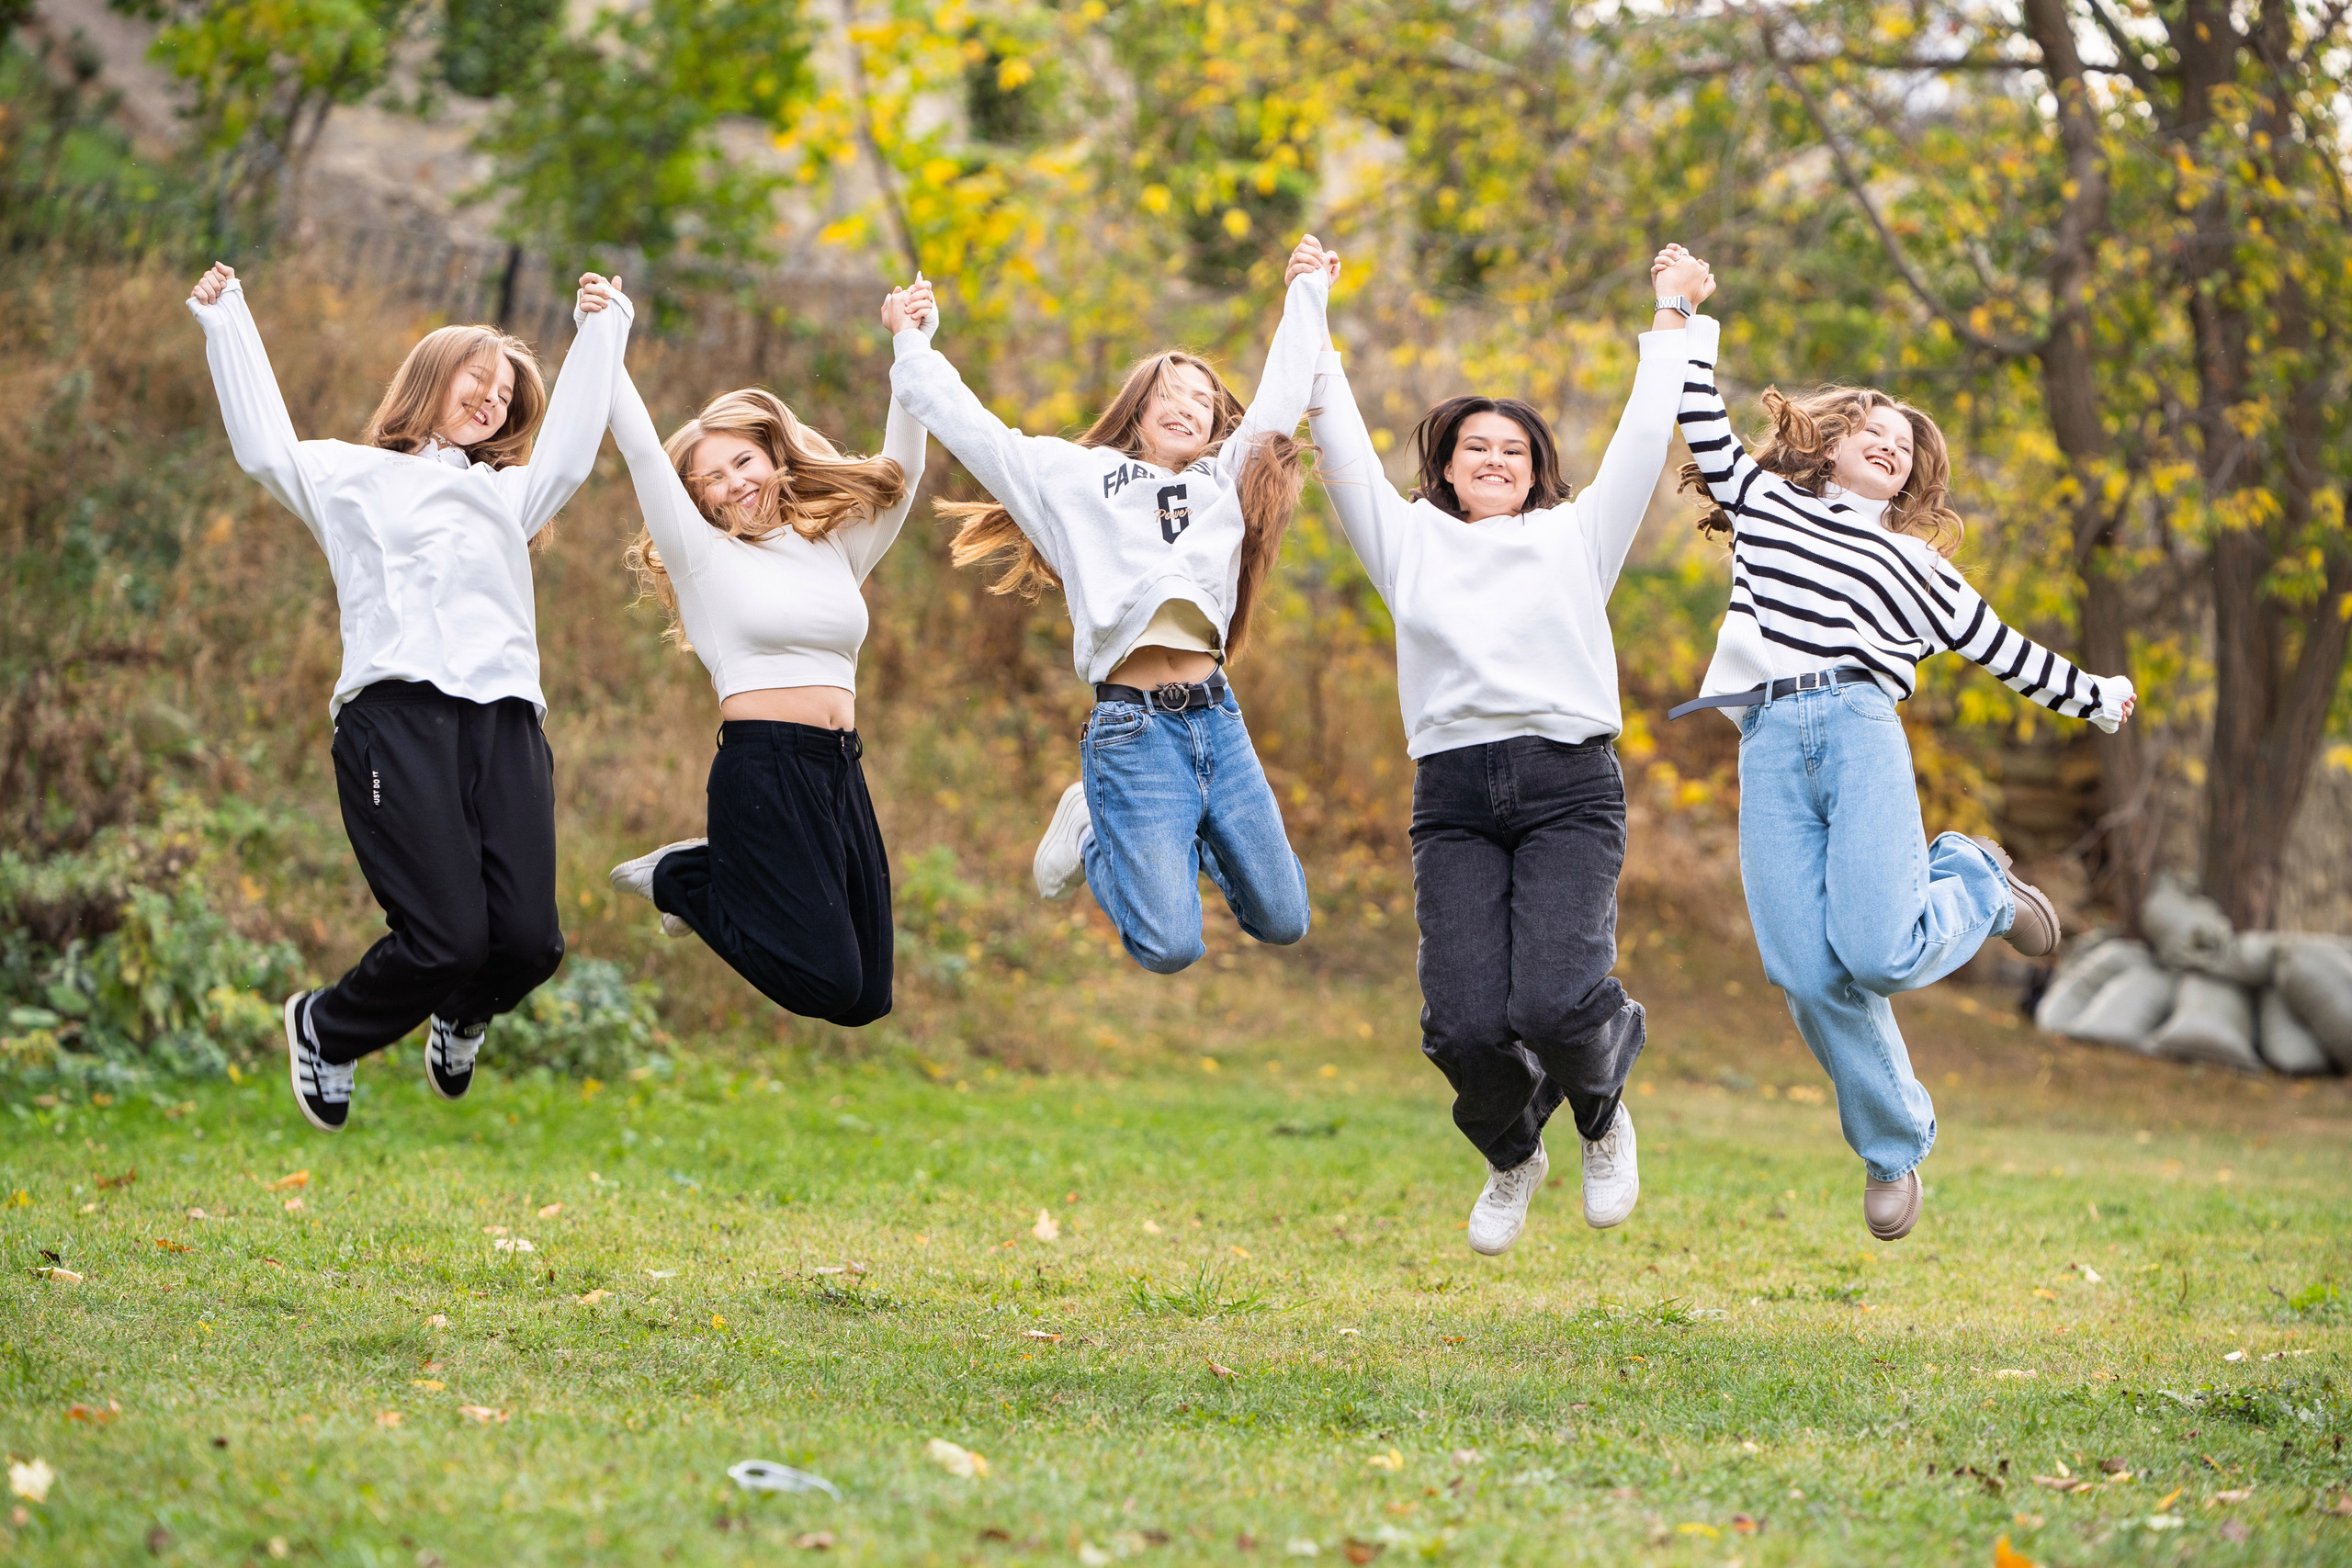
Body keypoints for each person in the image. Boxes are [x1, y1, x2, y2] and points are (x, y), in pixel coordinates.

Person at [1670, 242, 2136, 1240]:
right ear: (1830, 443)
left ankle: (1972, 882)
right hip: (1764, 739)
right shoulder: (1764, 503)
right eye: (1871, 429)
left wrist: (2094, 696)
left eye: (1905, 444)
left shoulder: (1913, 564)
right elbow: (1698, 416)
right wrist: (1685, 313)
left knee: (1877, 954)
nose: (1889, 443)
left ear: (1910, 477)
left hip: (1856, 729)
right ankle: (1891, 1148)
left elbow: (2001, 649)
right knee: (1805, 972)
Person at [1302, 239, 1714, 1255]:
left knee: (1557, 996)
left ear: (1537, 472)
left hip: (1568, 785)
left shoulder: (1576, 535)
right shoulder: (1406, 541)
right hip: (1451, 797)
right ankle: (1512, 1150)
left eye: (1515, 450)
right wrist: (1308, 305)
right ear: (1444, 465)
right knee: (1463, 1025)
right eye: (1475, 446)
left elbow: (1639, 433)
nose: (1495, 458)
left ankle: (1604, 1112)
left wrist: (1669, 316)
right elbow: (1338, 437)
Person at [187, 261, 633, 1133]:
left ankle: (464, 1015)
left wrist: (602, 328)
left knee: (530, 943)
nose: (493, 400)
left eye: (506, 395)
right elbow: (263, 445)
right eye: (479, 377)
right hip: (397, 718)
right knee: (445, 938)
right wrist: (227, 320)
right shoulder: (351, 476)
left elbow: (574, 449)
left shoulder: (507, 493)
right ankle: (325, 1027)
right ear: (433, 374)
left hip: (505, 720)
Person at [888, 241, 1333, 975]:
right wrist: (913, 342)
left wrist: (1307, 289)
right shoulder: (1075, 477)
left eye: (1204, 401)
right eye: (1173, 392)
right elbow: (977, 432)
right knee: (1170, 946)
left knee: (1284, 919)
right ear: (1139, 403)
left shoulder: (1224, 483)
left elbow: (1283, 392)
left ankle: (1172, 830)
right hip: (1132, 729)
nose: (1189, 406)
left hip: (1216, 719)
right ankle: (1097, 829)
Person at [602, 280, 935, 1027]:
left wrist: (910, 342)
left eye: (742, 463)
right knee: (826, 980)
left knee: (866, 996)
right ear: (698, 498)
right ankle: (684, 877)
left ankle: (698, 872)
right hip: (764, 767)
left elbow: (902, 476)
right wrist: (606, 338)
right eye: (710, 479)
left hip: (839, 766)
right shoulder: (701, 560)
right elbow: (641, 453)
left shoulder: (833, 546)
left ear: (776, 458)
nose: (730, 486)